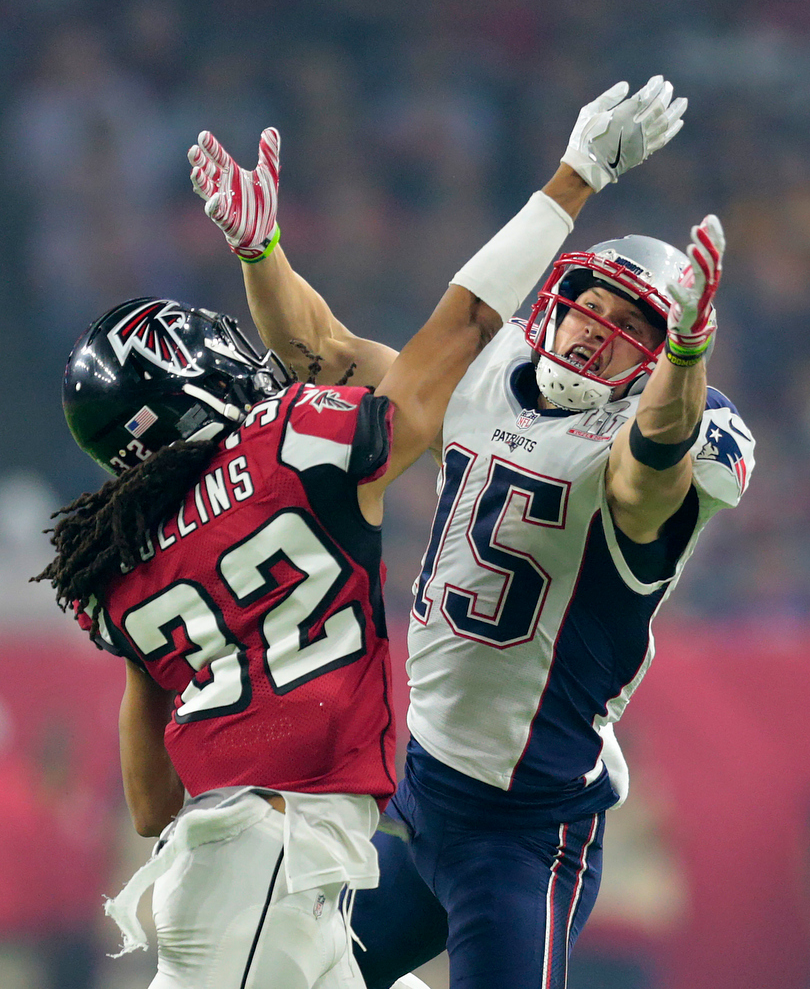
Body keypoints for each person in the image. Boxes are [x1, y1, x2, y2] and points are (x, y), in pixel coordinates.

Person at [34, 80, 681, 989]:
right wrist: (573, 178)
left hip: (269, 870)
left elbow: (150, 805)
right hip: (281, 863)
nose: (235, 351)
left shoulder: (120, 560)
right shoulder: (293, 444)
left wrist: (264, 256)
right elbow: (443, 333)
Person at [188, 76, 749, 989]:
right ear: (558, 297)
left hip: (526, 834)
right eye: (594, 304)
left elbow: (650, 476)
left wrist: (687, 361)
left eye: (634, 326)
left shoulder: (647, 441)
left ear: (659, 356)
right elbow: (323, 352)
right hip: (422, 795)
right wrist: (263, 254)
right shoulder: (486, 380)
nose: (598, 331)